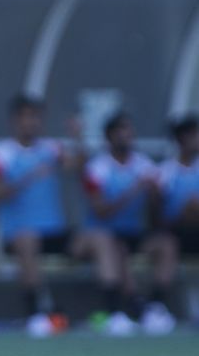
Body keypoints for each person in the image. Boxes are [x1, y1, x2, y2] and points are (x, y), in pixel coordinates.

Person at [0, 94, 119, 336]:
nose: (31, 122)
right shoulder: (0, 154)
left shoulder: (51, 149)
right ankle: (36, 313)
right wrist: (29, 176)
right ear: (15, 120)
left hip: (54, 232)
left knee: (101, 239)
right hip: (18, 235)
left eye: (35, 117)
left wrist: (77, 138)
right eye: (26, 117)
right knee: (27, 241)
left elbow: (81, 167)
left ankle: (112, 313)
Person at [82, 112, 178, 335]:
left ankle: (155, 307)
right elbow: (101, 212)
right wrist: (135, 188)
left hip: (134, 234)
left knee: (167, 244)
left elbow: (157, 217)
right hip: (101, 235)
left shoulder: (144, 165)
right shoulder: (97, 168)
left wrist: (154, 196)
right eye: (120, 131)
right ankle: (116, 310)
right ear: (109, 136)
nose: (126, 135)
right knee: (114, 246)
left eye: (128, 130)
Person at [149, 115, 199, 332]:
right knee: (167, 246)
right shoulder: (165, 172)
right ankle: (156, 307)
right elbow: (157, 219)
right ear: (183, 138)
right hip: (175, 232)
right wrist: (184, 213)